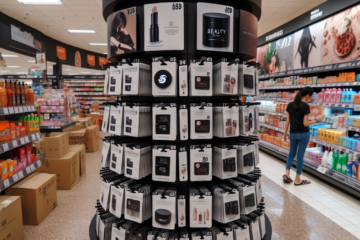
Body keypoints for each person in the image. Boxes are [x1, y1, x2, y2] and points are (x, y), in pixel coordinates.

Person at [283, 87, 318, 186]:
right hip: (303, 134)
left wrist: (285, 134)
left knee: (291, 154)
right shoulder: (306, 106)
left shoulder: (290, 105)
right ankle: (297, 179)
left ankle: (287, 174)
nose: (310, 99)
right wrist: (316, 121)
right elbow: (305, 123)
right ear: (308, 95)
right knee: (300, 156)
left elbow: (287, 121)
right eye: (310, 97)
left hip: (293, 134)